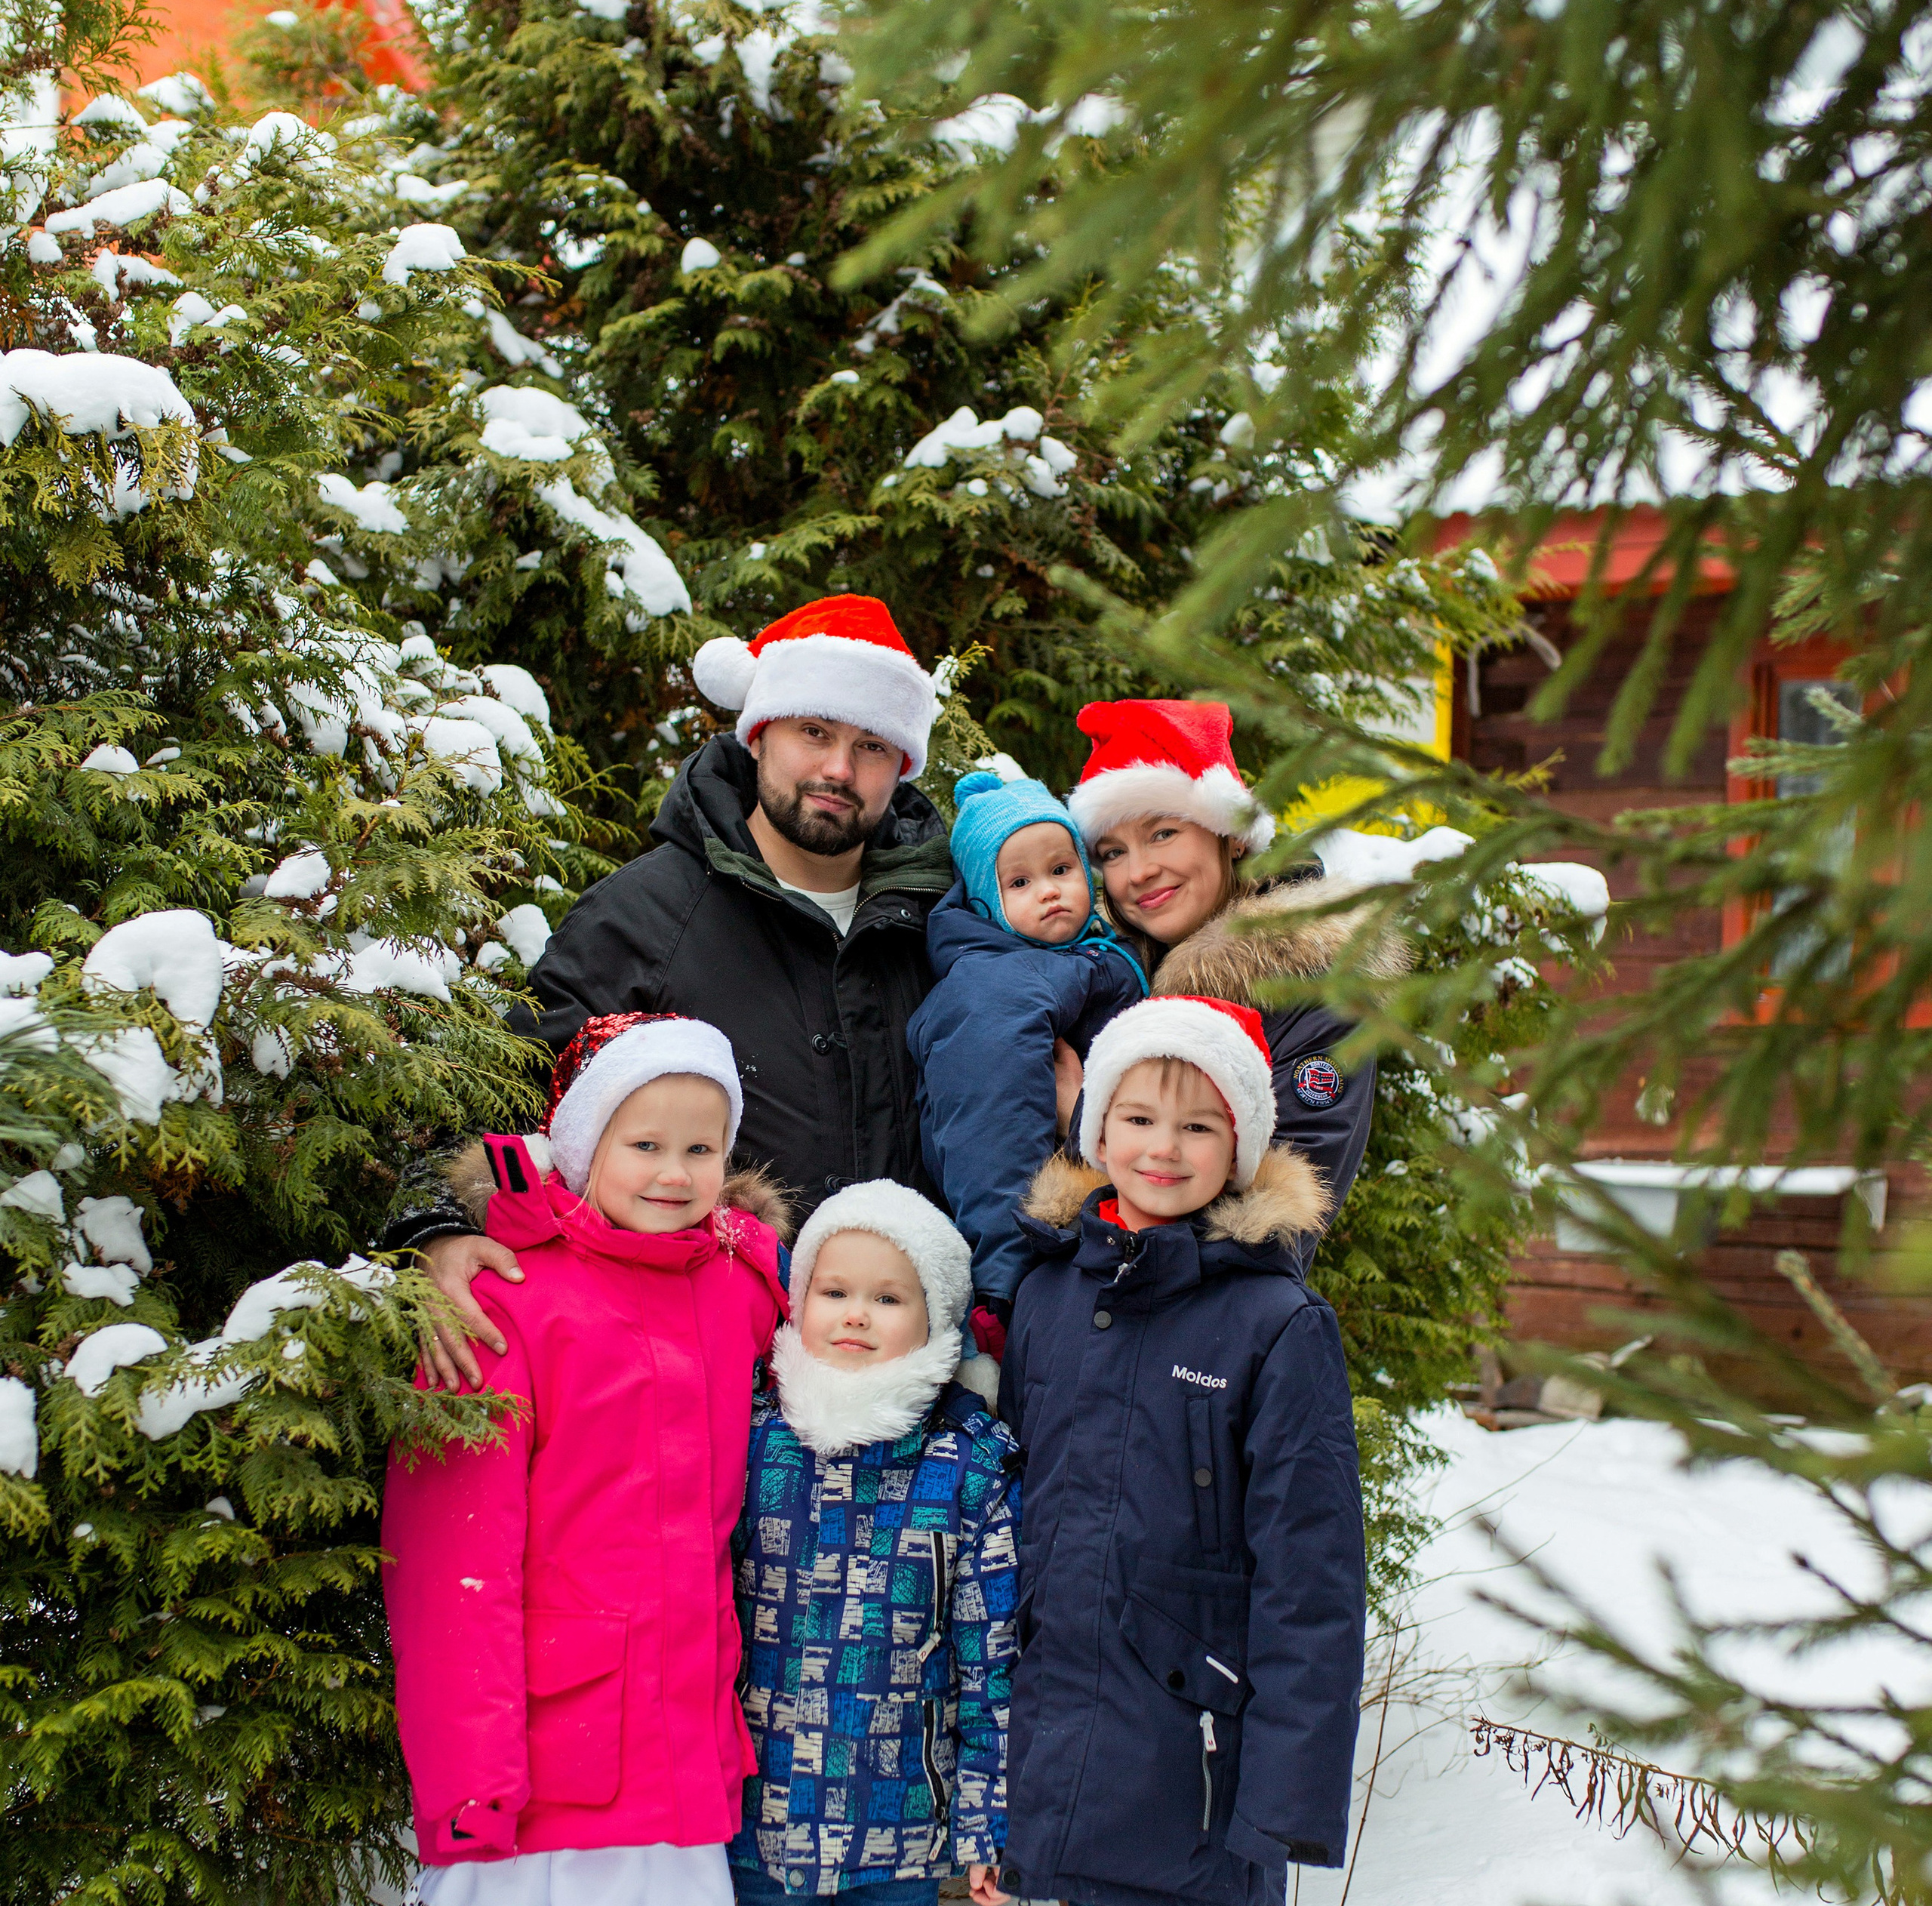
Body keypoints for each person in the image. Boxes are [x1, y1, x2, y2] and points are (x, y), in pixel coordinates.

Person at [375, 1013, 789, 1906]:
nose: (674, 1171)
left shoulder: (740, 1284)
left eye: (702, 1148)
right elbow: (450, 1551)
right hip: (533, 1728)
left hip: (670, 1718)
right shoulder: (502, 1297)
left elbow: (858, 1312)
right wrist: (467, 1764)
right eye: (643, 1142)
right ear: (581, 1144)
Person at [995, 993, 1366, 1906]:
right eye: (1137, 1116)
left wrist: (1290, 1778)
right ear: (1096, 1130)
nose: (1162, 1145)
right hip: (1078, 1713)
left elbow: (1314, 1575)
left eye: (1198, 1124)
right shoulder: (1050, 1294)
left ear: (1245, 1145)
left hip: (1211, 1732)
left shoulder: (1275, 1320)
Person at [393, 594, 952, 1390]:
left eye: (871, 745)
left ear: (901, 766)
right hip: (697, 1377)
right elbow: (497, 1091)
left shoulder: (946, 921)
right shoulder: (646, 915)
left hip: (908, 1382)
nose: (838, 769)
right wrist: (437, 1231)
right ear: (759, 734)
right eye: (814, 732)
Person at [731, 1180, 1019, 1906]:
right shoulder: (756, 1434)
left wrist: (988, 1816)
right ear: (797, 1302)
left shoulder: (967, 1457)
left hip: (900, 1805)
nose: (854, 1313)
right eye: (833, 1289)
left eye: (887, 1296)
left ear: (935, 1315)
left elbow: (990, 1649)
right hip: (766, 1800)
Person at [1067, 696, 1404, 1214]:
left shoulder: (1313, 991)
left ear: (1233, 837)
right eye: (1113, 852)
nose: (1138, 872)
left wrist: (1081, 1116)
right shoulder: (1102, 977)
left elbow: (1270, 1224)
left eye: (1163, 833)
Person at [907, 759, 1146, 1319]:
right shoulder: (995, 986)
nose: (1049, 891)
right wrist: (1005, 1285)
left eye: (1061, 868)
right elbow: (991, 1136)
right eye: (1019, 882)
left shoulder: (1090, 957)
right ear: (985, 904)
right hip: (1035, 1259)